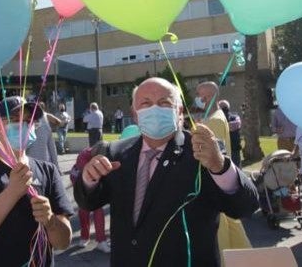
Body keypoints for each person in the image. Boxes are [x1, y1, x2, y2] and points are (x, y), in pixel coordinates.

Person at [74, 77, 258, 266]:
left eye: (164, 103)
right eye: (146, 103)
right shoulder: (115, 152)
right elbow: (88, 202)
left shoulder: (203, 152)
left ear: (179, 112)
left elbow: (245, 206)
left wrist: (220, 167)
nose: (155, 109)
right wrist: (88, 180)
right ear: (135, 114)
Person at [0, 96, 73, 267]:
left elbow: (63, 242)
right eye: (15, 120)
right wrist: (11, 192)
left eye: (28, 120)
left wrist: (51, 221)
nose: (23, 125)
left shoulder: (48, 171)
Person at [70, 147, 110, 253]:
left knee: (98, 210)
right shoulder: (82, 158)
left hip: (96, 181)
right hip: (80, 181)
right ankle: (84, 237)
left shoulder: (107, 152)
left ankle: (101, 241)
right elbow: (89, 176)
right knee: (84, 210)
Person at [195, 82, 232, 158]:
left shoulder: (215, 120)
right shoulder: (211, 117)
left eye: (198, 95)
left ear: (208, 97)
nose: (196, 98)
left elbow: (215, 154)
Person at [26, 102, 60, 170]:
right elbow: (52, 148)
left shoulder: (24, 126)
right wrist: (56, 166)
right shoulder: (46, 119)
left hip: (31, 165)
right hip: (45, 164)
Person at [219, 100, 242, 167]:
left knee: (237, 169)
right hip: (223, 150)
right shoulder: (217, 119)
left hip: (234, 148)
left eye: (224, 107)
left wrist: (223, 126)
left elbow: (236, 125)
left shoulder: (234, 117)